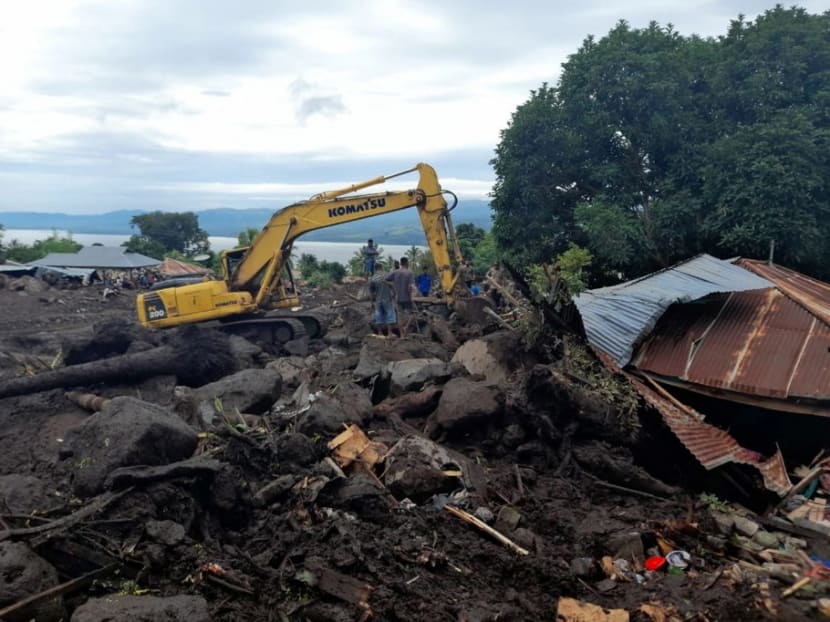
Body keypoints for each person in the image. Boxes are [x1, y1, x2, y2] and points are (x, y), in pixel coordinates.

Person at [387, 257, 415, 337]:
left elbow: (386, 279)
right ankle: (406, 327)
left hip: (398, 297)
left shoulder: (395, 272)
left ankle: (402, 335)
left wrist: (392, 287)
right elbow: (411, 286)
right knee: (413, 314)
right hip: (407, 297)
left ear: (400, 263)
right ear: (406, 263)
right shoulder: (409, 273)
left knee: (400, 316)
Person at [369, 269, 397, 337]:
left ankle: (380, 333)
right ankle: (389, 333)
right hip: (387, 299)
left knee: (378, 316)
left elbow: (371, 292)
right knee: (390, 314)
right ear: (381, 268)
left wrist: (372, 302)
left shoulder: (373, 278)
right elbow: (392, 285)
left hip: (378, 300)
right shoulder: (387, 275)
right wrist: (394, 294)